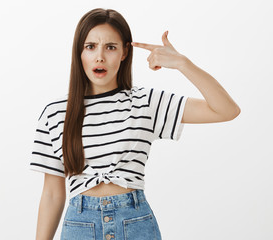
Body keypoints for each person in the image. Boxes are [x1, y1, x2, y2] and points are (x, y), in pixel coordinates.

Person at [30, 8, 240, 240]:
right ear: (79, 52)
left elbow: (227, 110)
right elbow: (51, 194)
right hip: (79, 228)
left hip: (135, 224)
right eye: (90, 47)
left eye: (110, 47)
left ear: (124, 53)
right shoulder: (56, 113)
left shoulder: (146, 102)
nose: (100, 56)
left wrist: (183, 64)